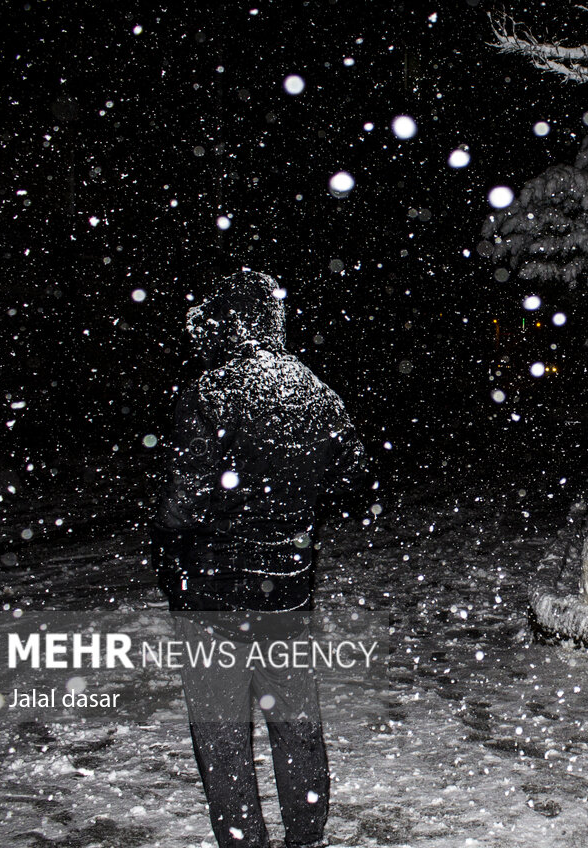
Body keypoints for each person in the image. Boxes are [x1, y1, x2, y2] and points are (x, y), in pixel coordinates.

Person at [152, 269, 368, 848]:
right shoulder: (313, 390)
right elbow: (354, 476)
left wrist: (181, 548)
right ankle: (306, 834)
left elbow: (181, 503)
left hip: (212, 594)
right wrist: (293, 507)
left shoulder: (210, 391)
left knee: (222, 735)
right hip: (287, 588)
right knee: (296, 722)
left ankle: (244, 840)